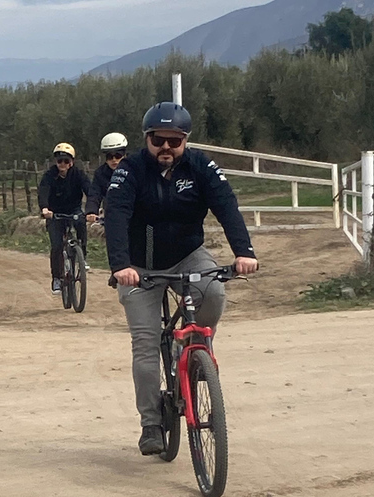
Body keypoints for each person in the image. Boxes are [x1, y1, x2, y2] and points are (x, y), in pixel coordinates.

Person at [104, 102, 259, 456]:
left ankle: (194, 349)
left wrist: (244, 252)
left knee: (214, 293)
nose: (166, 148)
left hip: (187, 255)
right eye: (159, 140)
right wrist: (120, 265)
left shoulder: (201, 166)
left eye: (175, 141)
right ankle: (151, 423)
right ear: (147, 139)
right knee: (144, 345)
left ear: (185, 141)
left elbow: (226, 206)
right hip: (139, 266)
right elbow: (116, 216)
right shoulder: (129, 170)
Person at [38, 143, 91, 295]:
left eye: (66, 161)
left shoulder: (78, 174)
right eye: (60, 161)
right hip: (55, 213)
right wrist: (45, 208)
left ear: (71, 162)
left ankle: (83, 256)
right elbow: (43, 191)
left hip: (73, 210)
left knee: (81, 222)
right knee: (56, 246)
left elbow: (89, 189)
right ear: (56, 162)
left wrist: (92, 209)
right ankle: (56, 278)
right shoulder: (49, 176)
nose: (63, 164)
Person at [86, 132, 128, 224]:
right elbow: (94, 194)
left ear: (124, 155)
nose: (114, 160)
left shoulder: (134, 170)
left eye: (118, 156)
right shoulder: (100, 173)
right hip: (112, 218)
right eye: (109, 157)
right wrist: (91, 211)